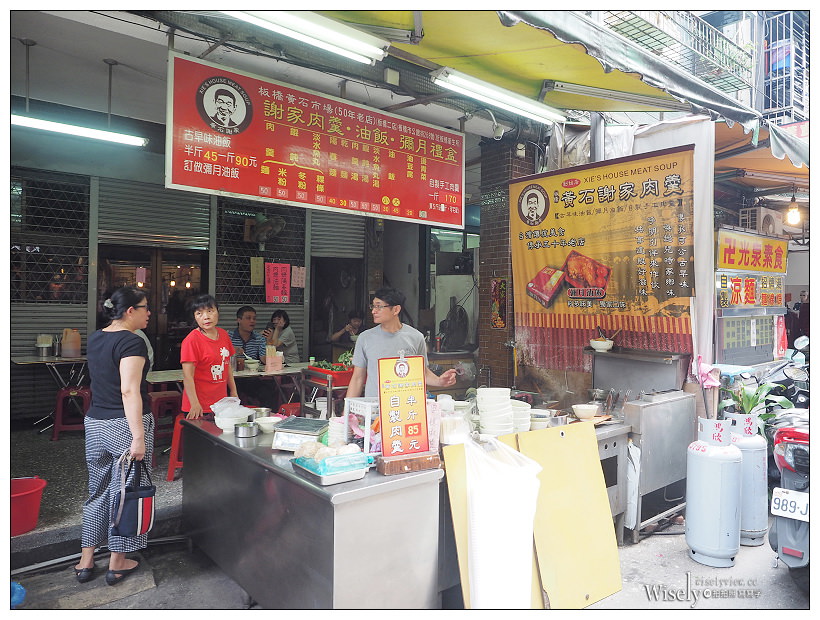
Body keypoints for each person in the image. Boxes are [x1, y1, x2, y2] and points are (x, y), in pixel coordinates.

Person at [75, 286, 153, 586]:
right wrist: (137, 436)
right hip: (123, 425)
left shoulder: (96, 337)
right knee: (128, 491)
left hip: (95, 423)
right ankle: (118, 561)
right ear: (130, 311)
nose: (149, 312)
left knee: (98, 490)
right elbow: (129, 389)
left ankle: (86, 560)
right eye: (145, 307)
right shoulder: (131, 342)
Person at [346, 287, 458, 398]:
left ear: (396, 310)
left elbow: (422, 372)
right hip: (375, 409)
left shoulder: (416, 337)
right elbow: (357, 378)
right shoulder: (365, 338)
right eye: (373, 306)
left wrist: (440, 381)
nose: (373, 311)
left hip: (405, 408)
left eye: (379, 306)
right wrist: (346, 412)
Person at [180, 294, 237, 419]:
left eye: (210, 311)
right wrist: (195, 404)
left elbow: (227, 367)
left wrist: (233, 392)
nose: (206, 317)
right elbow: (187, 376)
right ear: (195, 317)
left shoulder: (224, 335)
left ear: (217, 312)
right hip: (199, 407)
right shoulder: (191, 340)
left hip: (221, 404)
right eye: (199, 313)